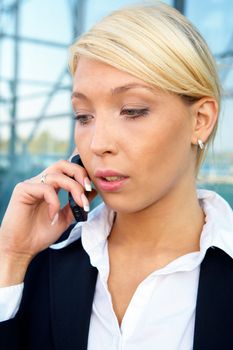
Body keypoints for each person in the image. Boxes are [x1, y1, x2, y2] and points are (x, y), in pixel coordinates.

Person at [0, 2, 232, 349]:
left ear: (200, 119)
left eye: (132, 110)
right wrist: (10, 258)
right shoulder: (38, 266)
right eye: (83, 116)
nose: (98, 143)